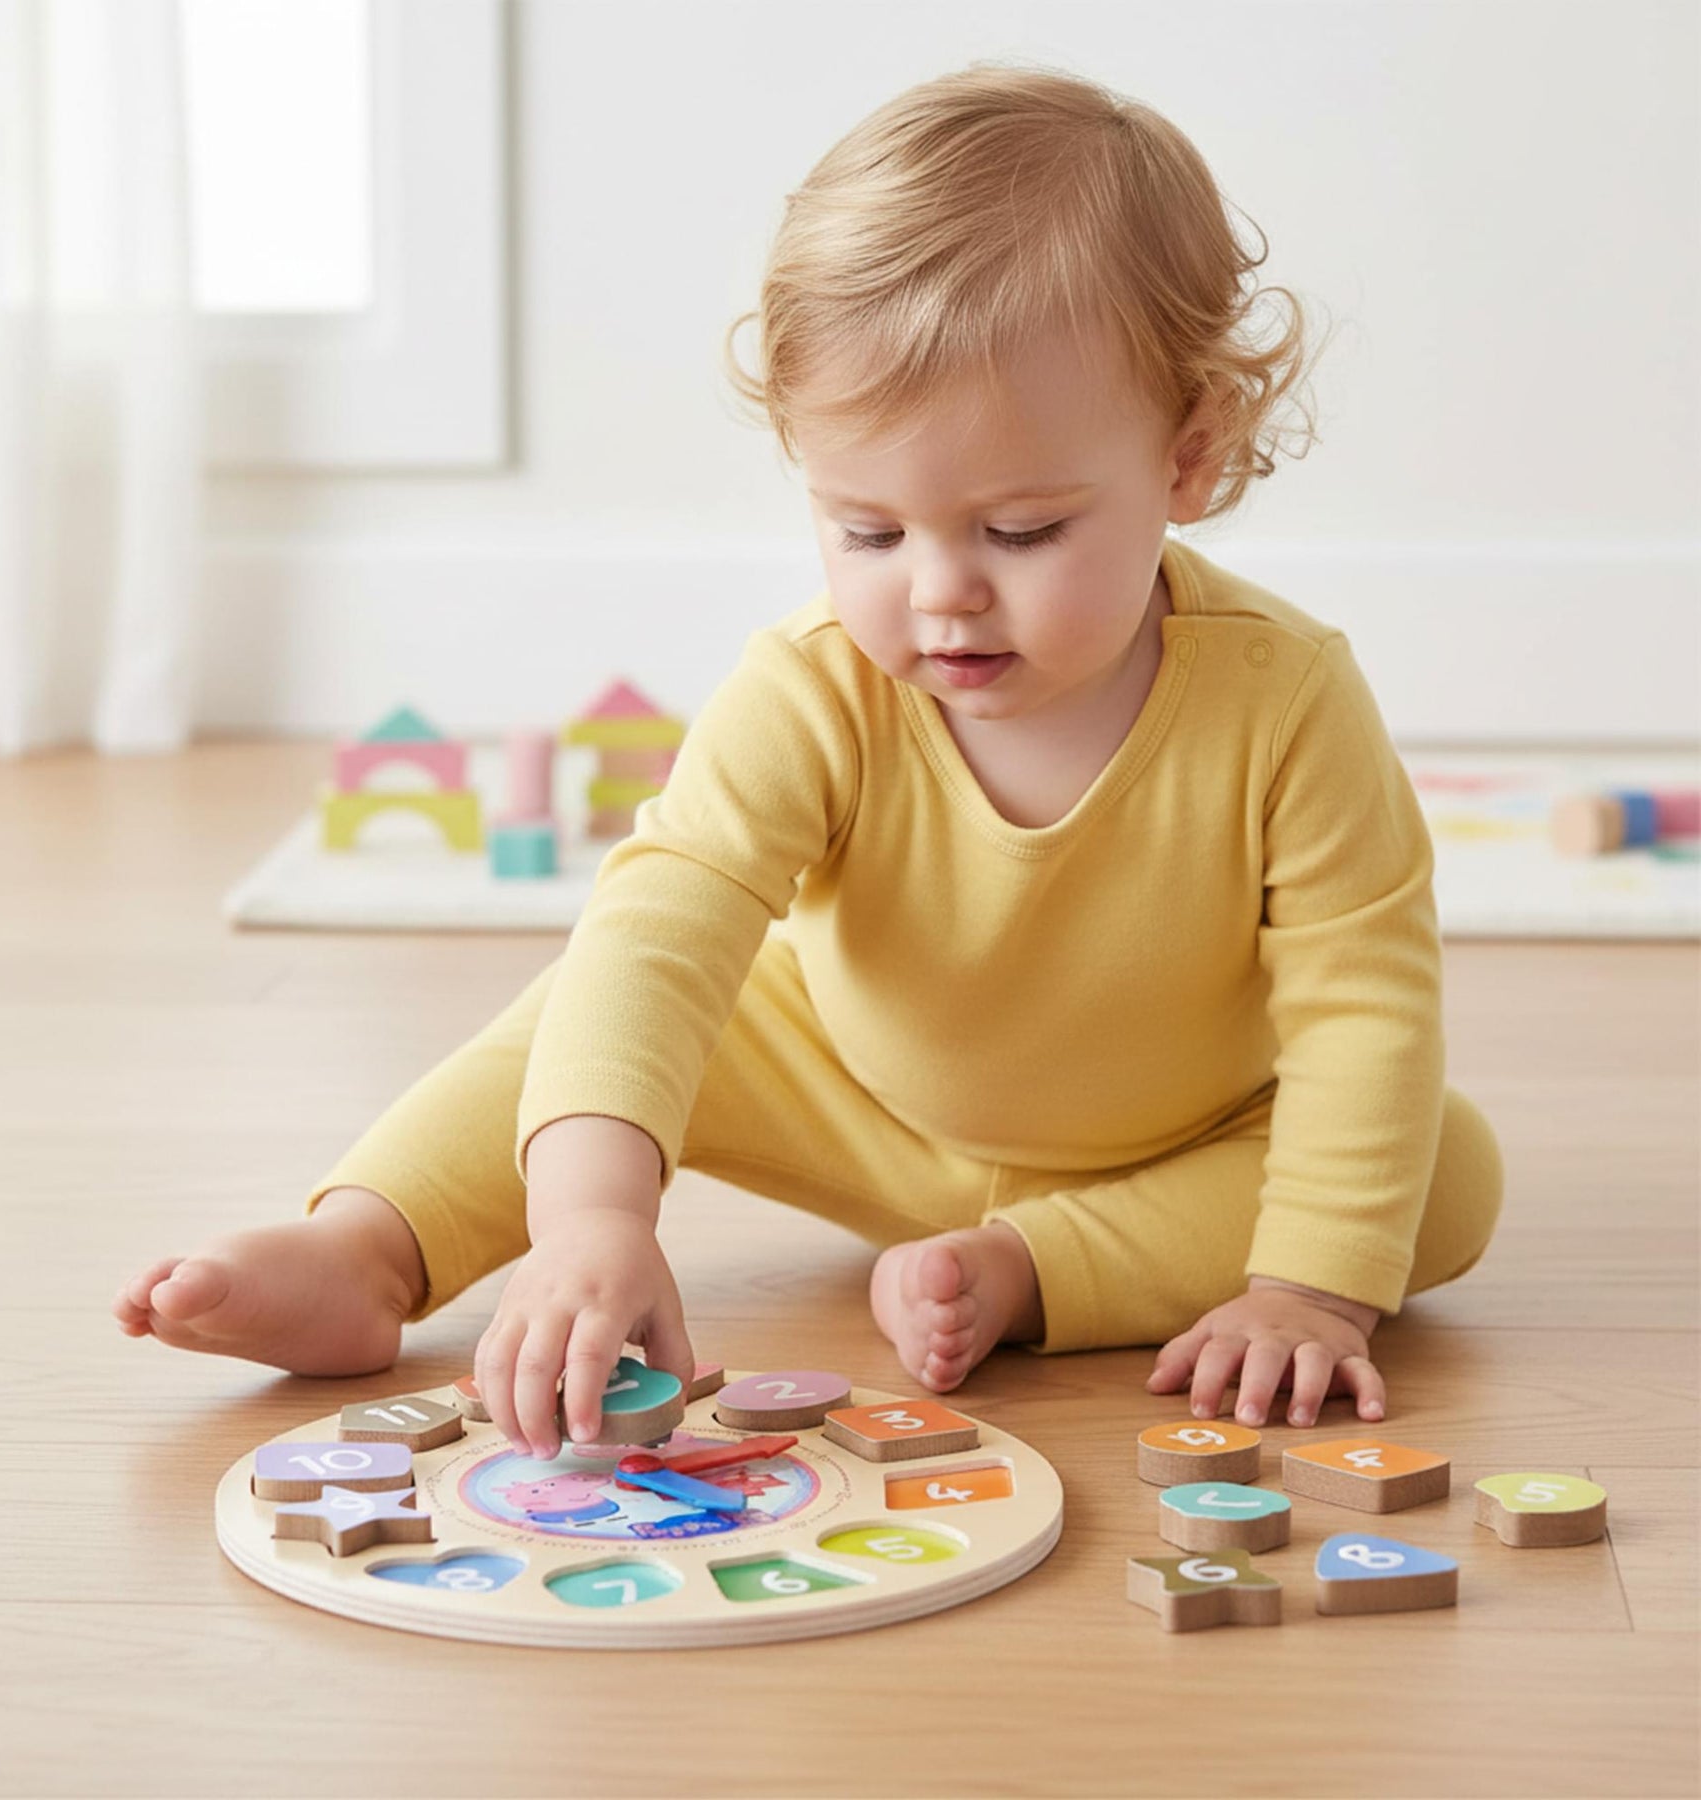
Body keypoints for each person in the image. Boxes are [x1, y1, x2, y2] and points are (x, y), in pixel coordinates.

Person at [115, 62, 1503, 1462]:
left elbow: (1360, 1007)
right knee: (598, 1013)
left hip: (1182, 1132)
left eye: (1019, 533)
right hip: (846, 1087)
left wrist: (1309, 1293)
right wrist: (597, 1221)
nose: (943, 593)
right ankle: (365, 1247)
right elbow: (667, 925)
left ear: (1190, 459)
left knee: (1435, 1170)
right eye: (871, 532)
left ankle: (1032, 1267)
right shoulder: (814, 688)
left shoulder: (1288, 700)